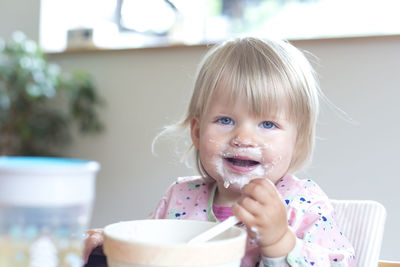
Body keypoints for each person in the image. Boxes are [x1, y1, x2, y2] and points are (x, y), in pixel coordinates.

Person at [84, 37, 355, 267]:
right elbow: (148, 251)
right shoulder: (180, 198)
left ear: (297, 141)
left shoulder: (302, 204)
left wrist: (280, 241)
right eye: (225, 120)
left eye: (268, 124)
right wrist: (112, 242)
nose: (244, 138)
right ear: (197, 132)